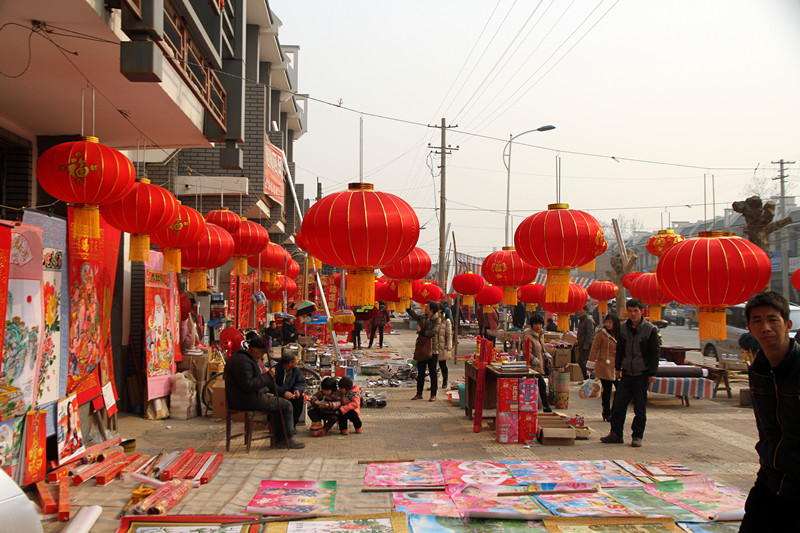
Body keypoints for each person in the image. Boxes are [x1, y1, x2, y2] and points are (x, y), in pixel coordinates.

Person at [739, 291, 800, 531]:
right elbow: (766, 428)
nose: (765, 327)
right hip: (769, 479)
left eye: (773, 319)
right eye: (757, 321)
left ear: (787, 325)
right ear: (750, 328)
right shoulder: (759, 371)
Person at [224, 337, 304, 449]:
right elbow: (249, 385)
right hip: (247, 400)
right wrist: (268, 376)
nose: (262, 356)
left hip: (244, 397)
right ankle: (286, 438)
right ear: (254, 350)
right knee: (286, 405)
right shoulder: (243, 362)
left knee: (281, 402)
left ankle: (279, 437)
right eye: (262, 352)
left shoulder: (241, 359)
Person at [600, 298, 659, 448]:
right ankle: (616, 434)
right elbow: (620, 349)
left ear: (642, 311)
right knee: (618, 405)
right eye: (630, 311)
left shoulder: (650, 329)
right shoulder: (623, 329)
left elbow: (655, 353)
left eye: (635, 311)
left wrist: (652, 372)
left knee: (639, 407)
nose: (633, 314)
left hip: (642, 373)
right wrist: (617, 368)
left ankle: (637, 436)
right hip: (626, 372)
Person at [407, 301, 441, 401]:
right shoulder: (423, 317)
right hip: (422, 348)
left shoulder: (437, 319)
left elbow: (433, 332)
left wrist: (421, 331)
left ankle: (433, 394)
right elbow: (414, 315)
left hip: (432, 350)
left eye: (427, 307)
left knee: (432, 373)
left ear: (432, 309)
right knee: (420, 372)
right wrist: (408, 307)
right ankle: (419, 393)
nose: (425, 308)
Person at [590, 314, 620, 422]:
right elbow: (594, 349)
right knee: (607, 390)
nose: (608, 324)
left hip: (617, 366)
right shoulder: (601, 334)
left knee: (620, 390)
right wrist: (591, 363)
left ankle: (614, 411)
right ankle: (606, 413)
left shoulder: (620, 334)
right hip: (605, 365)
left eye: (610, 322)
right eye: (606, 322)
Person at [521, 314, 553, 412]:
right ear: (532, 325)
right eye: (536, 324)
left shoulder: (541, 335)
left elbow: (542, 348)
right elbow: (526, 352)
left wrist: (547, 355)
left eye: (540, 324)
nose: (539, 326)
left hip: (540, 364)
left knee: (539, 385)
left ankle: (540, 405)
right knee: (542, 385)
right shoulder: (528, 336)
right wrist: (533, 359)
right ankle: (546, 406)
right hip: (533, 367)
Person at [273, 352, 307, 426]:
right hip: (278, 394)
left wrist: (297, 390)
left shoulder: (296, 370)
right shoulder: (275, 369)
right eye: (296, 360)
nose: (297, 362)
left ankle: (292, 425)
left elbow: (301, 382)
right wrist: (283, 392)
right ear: (290, 363)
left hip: (291, 393)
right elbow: (271, 384)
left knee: (299, 399)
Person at [576, 305, 595, 380]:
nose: (579, 312)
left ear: (585, 311)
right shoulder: (582, 320)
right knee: (583, 361)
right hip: (581, 343)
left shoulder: (588, 320)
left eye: (581, 310)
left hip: (586, 345)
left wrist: (587, 344)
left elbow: (590, 333)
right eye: (579, 310)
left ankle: (587, 378)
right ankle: (587, 378)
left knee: (582, 361)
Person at [437, 306, 454, 389]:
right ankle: (434, 384)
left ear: (440, 310)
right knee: (432, 366)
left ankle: (445, 382)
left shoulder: (446, 321)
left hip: (442, 346)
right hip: (434, 346)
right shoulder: (434, 319)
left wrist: (449, 345)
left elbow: (449, 334)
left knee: (442, 364)